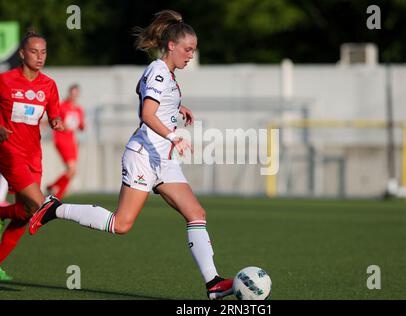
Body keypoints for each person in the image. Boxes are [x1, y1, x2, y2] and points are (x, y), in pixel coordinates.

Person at [29, 10, 234, 299]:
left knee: (196, 213)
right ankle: (54, 208)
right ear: (172, 46)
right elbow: (147, 113)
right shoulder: (159, 72)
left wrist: (178, 109)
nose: (191, 55)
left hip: (163, 159)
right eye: (188, 49)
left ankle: (213, 284)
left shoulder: (166, 75)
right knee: (121, 224)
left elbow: (146, 93)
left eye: (194, 50)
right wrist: (175, 135)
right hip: (143, 156)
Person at [0, 30, 63, 281]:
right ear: (22, 53)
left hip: (33, 155)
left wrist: (56, 121)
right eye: (34, 51)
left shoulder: (48, 85)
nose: (40, 57)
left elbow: (53, 113)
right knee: (40, 205)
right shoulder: (4, 81)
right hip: (8, 152)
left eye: (43, 52)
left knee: (26, 213)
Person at [46, 84, 85, 199]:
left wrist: (81, 125)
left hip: (72, 140)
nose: (74, 96)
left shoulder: (78, 109)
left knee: (71, 171)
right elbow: (54, 120)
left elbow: (82, 126)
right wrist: (63, 125)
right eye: (72, 93)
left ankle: (52, 187)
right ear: (69, 93)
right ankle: (58, 194)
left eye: (76, 94)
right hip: (61, 139)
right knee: (72, 170)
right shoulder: (62, 106)